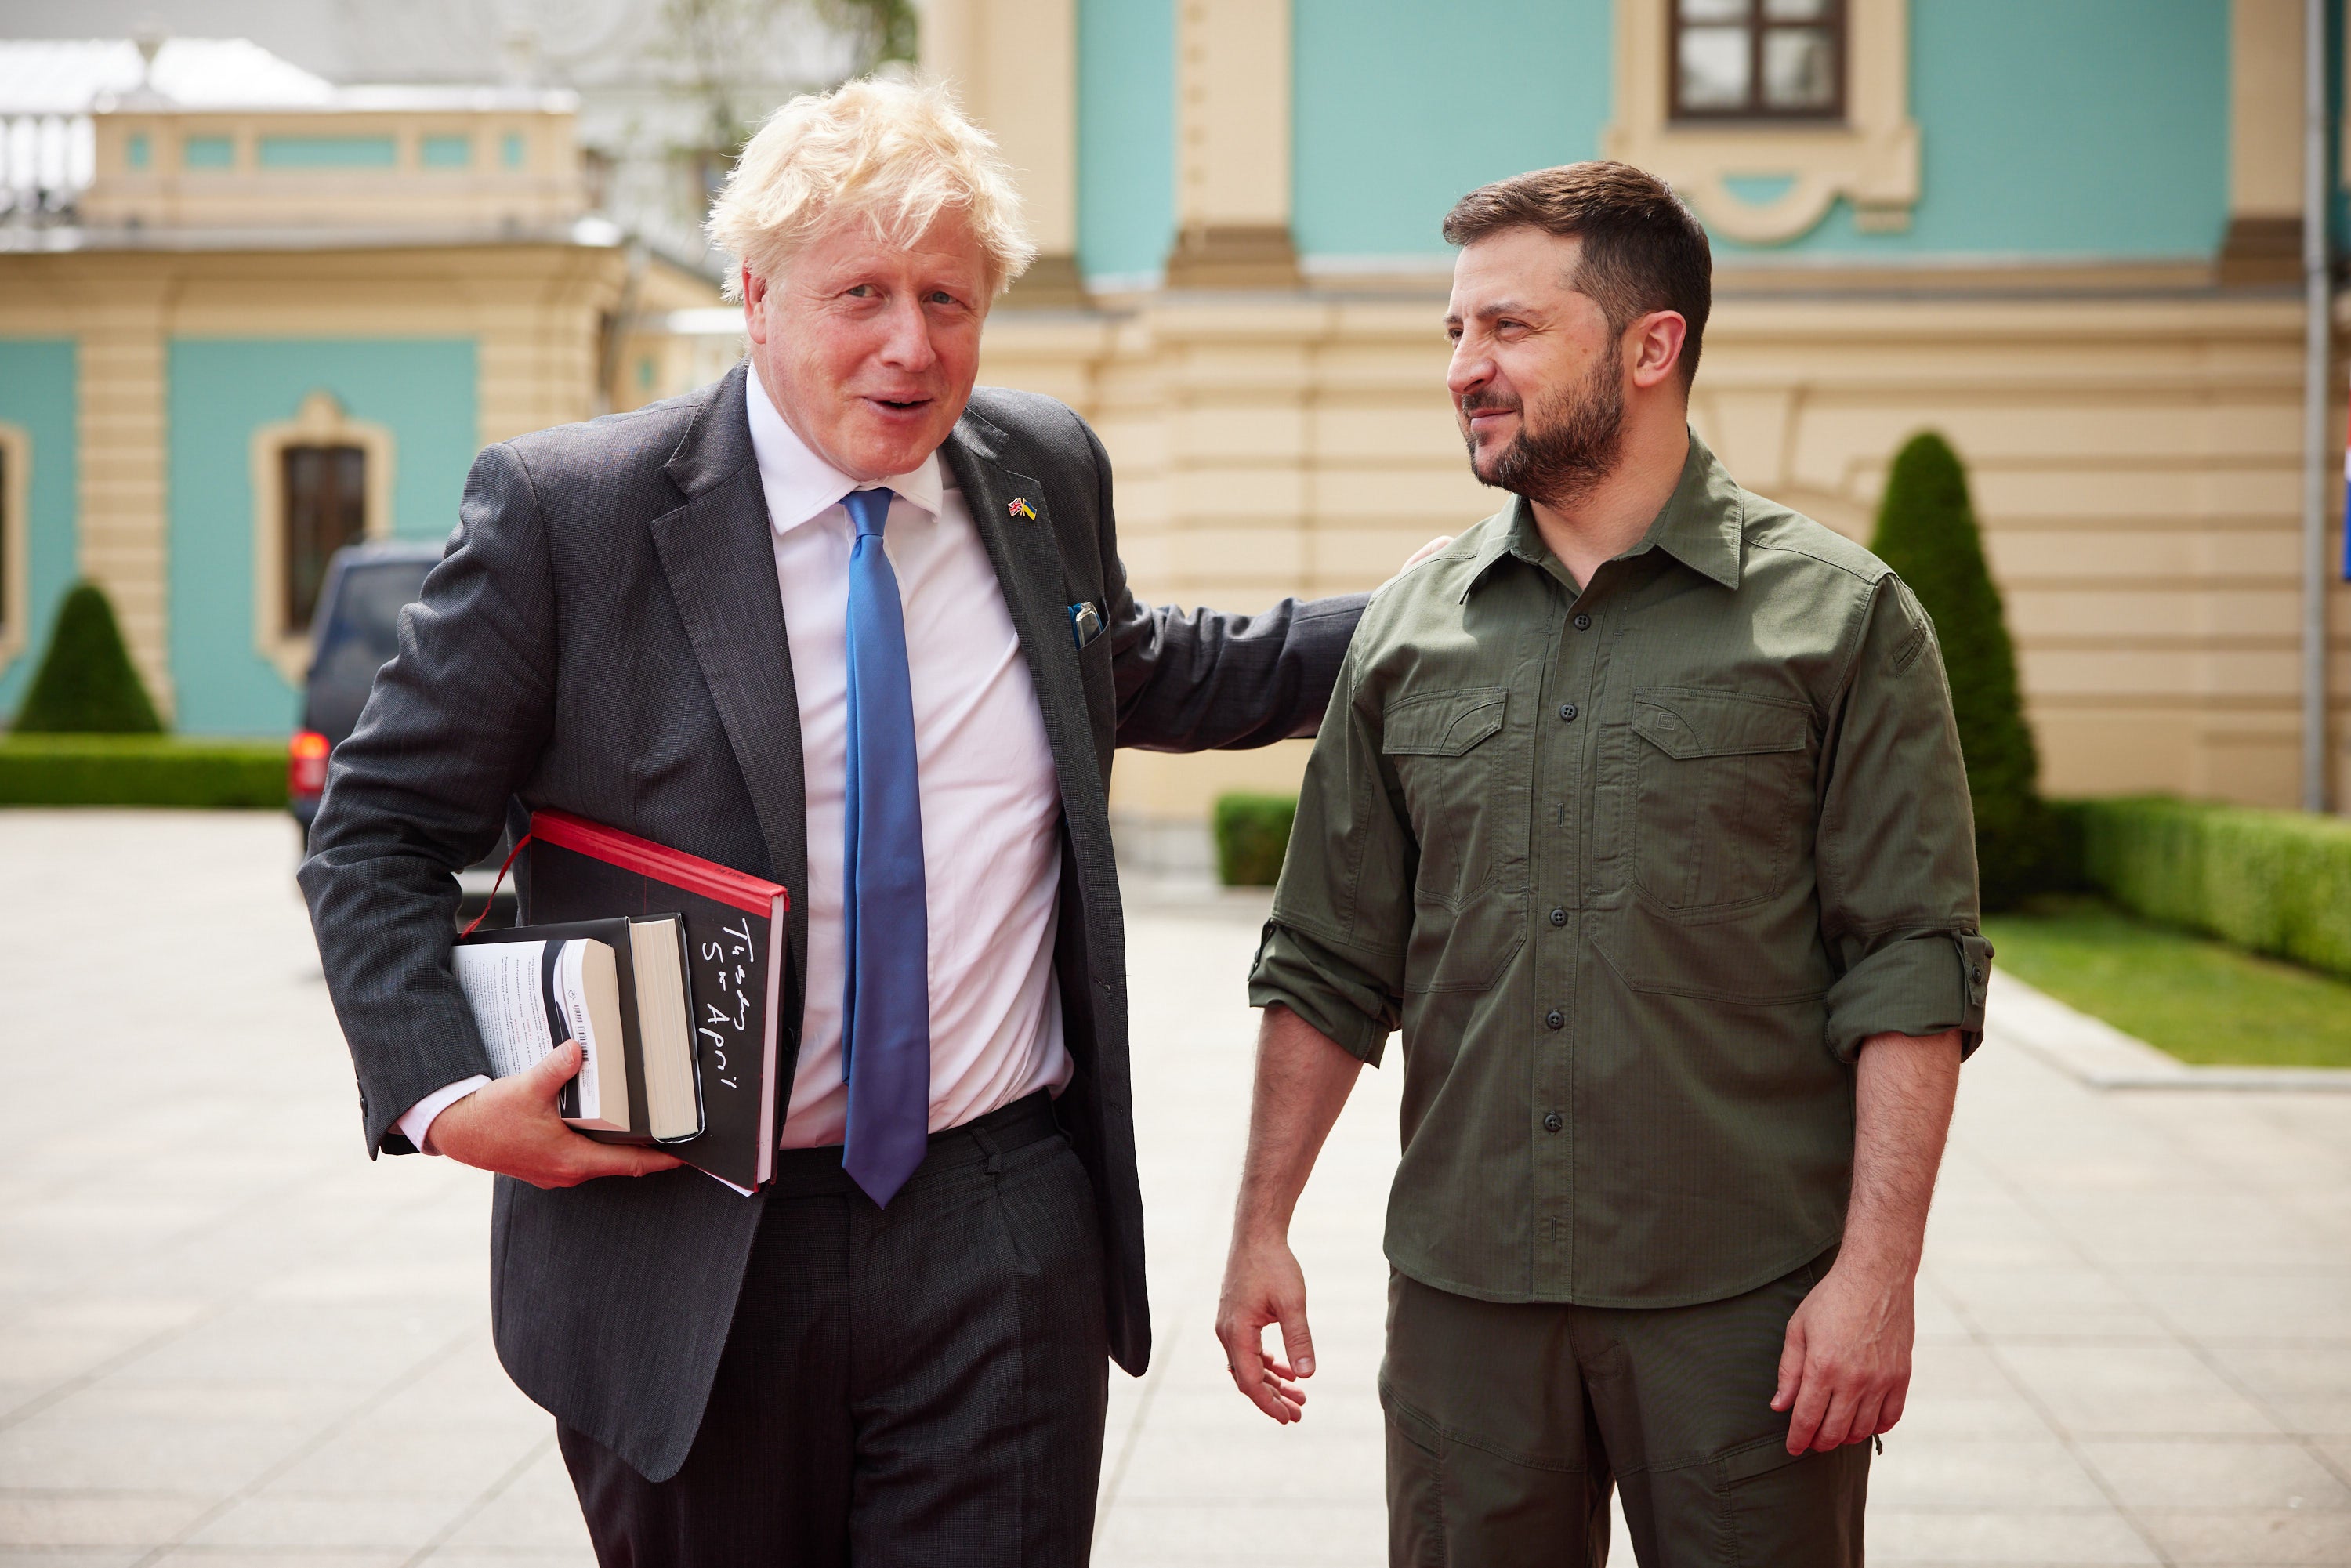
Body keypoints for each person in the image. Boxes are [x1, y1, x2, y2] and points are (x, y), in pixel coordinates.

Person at [302, 78, 1379, 1565]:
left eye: (948, 296)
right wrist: (439, 1097)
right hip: (687, 1238)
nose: (910, 343)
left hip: (996, 1223)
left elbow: (1138, 667)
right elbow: (375, 827)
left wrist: (1426, 615)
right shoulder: (574, 515)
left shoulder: (1040, 471)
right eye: (859, 292)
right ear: (754, 296)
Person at [1214, 160, 1991, 1566]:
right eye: (1454, 332)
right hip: (1464, 1311)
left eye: (1508, 329)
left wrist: (1877, 1277)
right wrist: (1260, 1223)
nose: (1465, 367)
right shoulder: (1408, 626)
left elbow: (1909, 970)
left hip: (1741, 1308)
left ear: (1652, 345)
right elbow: (1328, 955)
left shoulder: (1844, 621)